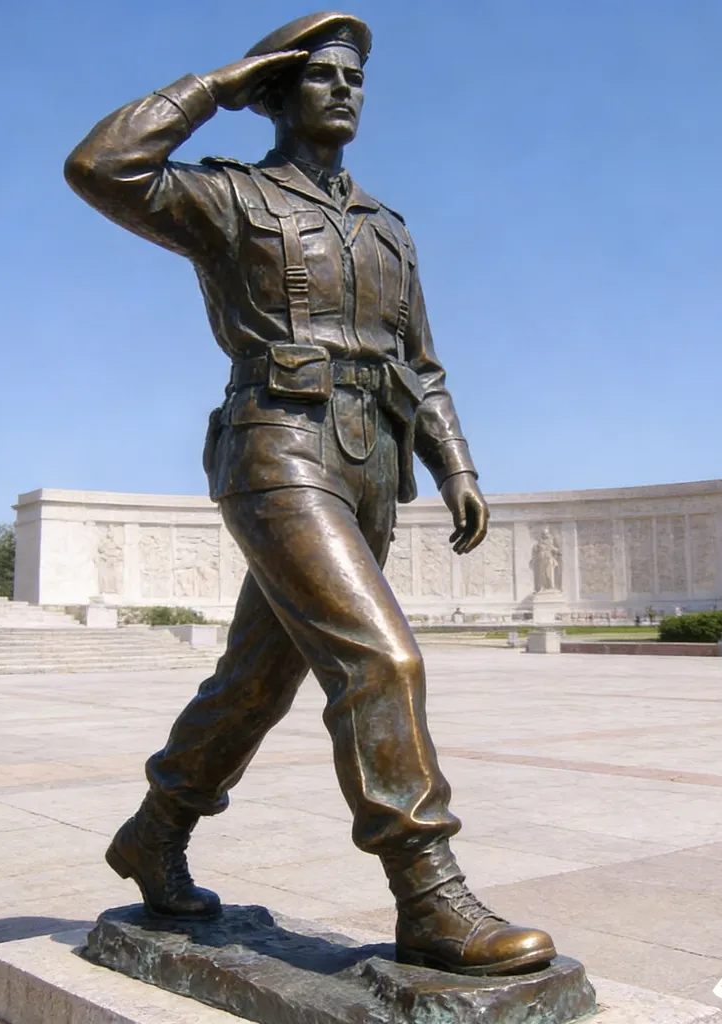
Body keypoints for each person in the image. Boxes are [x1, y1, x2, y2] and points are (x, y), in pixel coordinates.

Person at [64, 11, 556, 976]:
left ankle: (153, 832)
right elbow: (101, 166)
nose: (345, 90)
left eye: (356, 79)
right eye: (321, 75)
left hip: (372, 464)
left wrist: (456, 461)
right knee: (384, 664)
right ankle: (429, 892)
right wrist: (219, 81)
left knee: (255, 681)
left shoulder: (388, 230)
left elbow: (422, 365)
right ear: (278, 94)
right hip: (276, 448)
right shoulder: (230, 199)